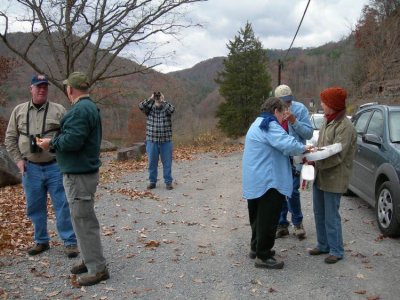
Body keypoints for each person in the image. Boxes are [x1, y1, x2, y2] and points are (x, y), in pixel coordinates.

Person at [38, 72, 109, 286]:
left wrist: (51, 143)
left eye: (67, 88)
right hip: (79, 173)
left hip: (80, 176)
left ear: (70, 89)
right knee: (80, 219)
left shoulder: (80, 109)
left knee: (84, 221)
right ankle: (89, 260)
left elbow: (73, 140)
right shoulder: (87, 107)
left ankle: (98, 269)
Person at [5, 74, 78, 258]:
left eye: (45, 86)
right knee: (35, 206)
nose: (42, 89)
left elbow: (69, 136)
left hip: (55, 166)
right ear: (31, 89)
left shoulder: (59, 110)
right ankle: (41, 241)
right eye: (38, 86)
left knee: (62, 205)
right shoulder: (18, 111)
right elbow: (10, 138)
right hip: (30, 168)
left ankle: (69, 242)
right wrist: (18, 160)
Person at [242, 97, 313, 269]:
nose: (284, 118)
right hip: (268, 181)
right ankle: (263, 256)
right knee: (268, 218)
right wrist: (305, 148)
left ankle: (256, 248)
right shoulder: (270, 125)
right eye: (283, 113)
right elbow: (287, 143)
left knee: (257, 216)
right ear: (275, 111)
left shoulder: (257, 123)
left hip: (256, 179)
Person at [308, 87, 356, 264]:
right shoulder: (326, 121)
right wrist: (310, 152)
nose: (321, 104)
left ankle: (336, 250)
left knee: (331, 215)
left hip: (335, 177)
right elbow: (321, 146)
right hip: (320, 175)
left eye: (324, 102)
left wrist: (315, 161)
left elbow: (338, 155)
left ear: (333, 105)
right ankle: (323, 245)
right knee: (318, 212)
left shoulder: (345, 126)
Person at [274, 84, 313, 239]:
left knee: (292, 191)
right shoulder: (273, 112)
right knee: (279, 191)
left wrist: (294, 121)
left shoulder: (300, 109)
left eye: (289, 101)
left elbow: (309, 134)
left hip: (295, 158)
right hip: (279, 157)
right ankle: (282, 224)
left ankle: (297, 223)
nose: (287, 105)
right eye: (284, 103)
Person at [139, 91, 175, 190]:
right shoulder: (149, 108)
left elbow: (172, 109)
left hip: (166, 141)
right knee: (152, 163)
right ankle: (152, 181)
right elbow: (141, 106)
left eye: (158, 96)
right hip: (152, 140)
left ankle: (168, 182)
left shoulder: (166, 108)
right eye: (157, 97)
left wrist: (163, 101)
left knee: (167, 163)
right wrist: (151, 99)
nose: (157, 98)